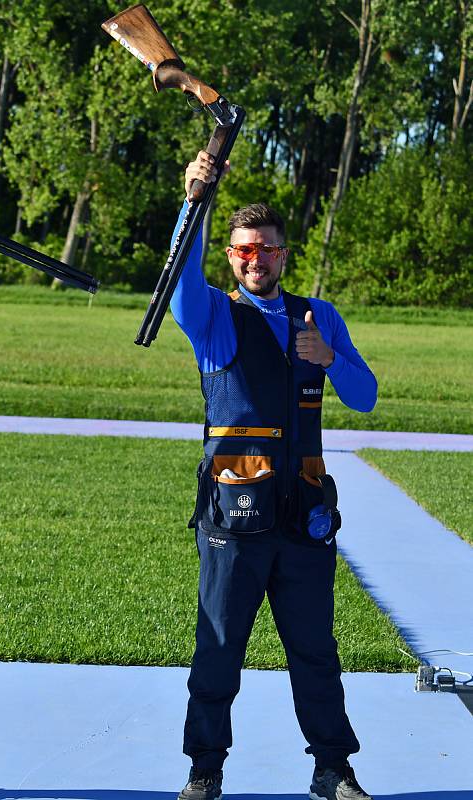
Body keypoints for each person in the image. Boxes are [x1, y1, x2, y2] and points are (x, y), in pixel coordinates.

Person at [171, 153, 377, 800]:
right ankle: (205, 768)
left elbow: (365, 394)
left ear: (284, 254)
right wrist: (193, 201)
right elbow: (177, 280)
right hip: (232, 518)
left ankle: (332, 768)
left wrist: (330, 356)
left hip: (305, 516)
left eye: (264, 248)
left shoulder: (320, 317)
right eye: (240, 250)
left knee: (315, 652)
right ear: (229, 257)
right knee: (219, 652)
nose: (252, 259)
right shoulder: (210, 314)